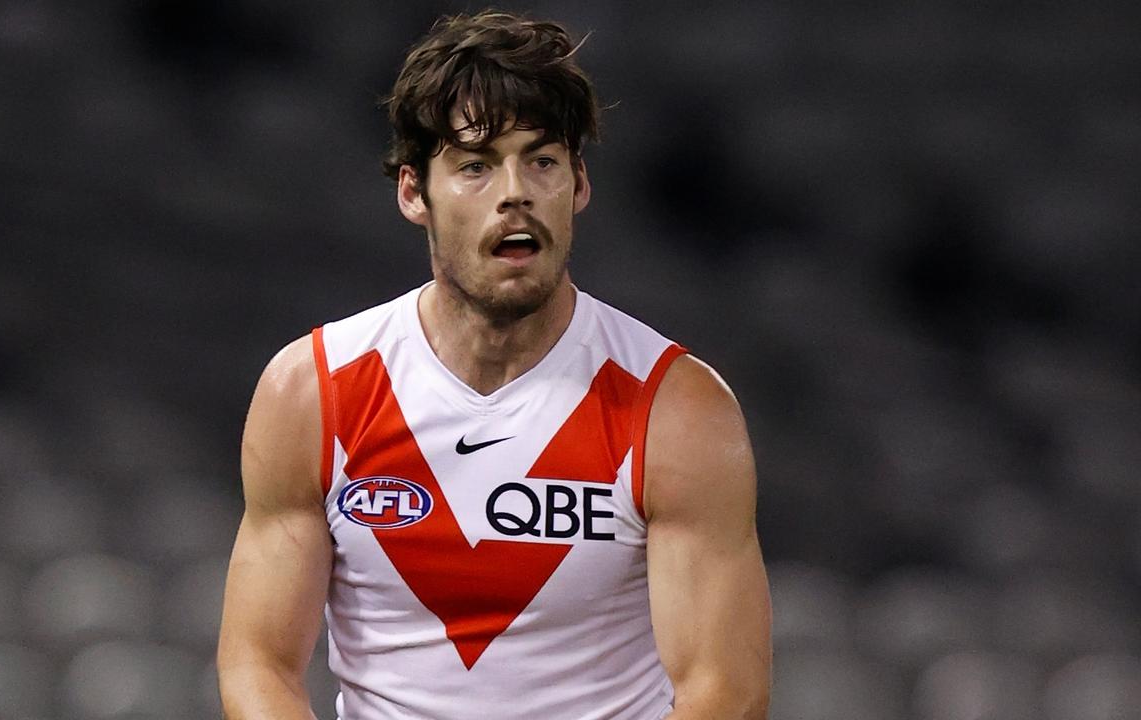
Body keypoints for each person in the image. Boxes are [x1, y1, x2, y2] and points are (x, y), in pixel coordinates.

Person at [217, 10, 771, 719]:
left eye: (541, 161)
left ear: (579, 184)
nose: (516, 192)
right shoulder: (313, 390)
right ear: (414, 192)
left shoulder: (675, 409)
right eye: (476, 165)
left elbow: (724, 693)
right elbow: (257, 662)